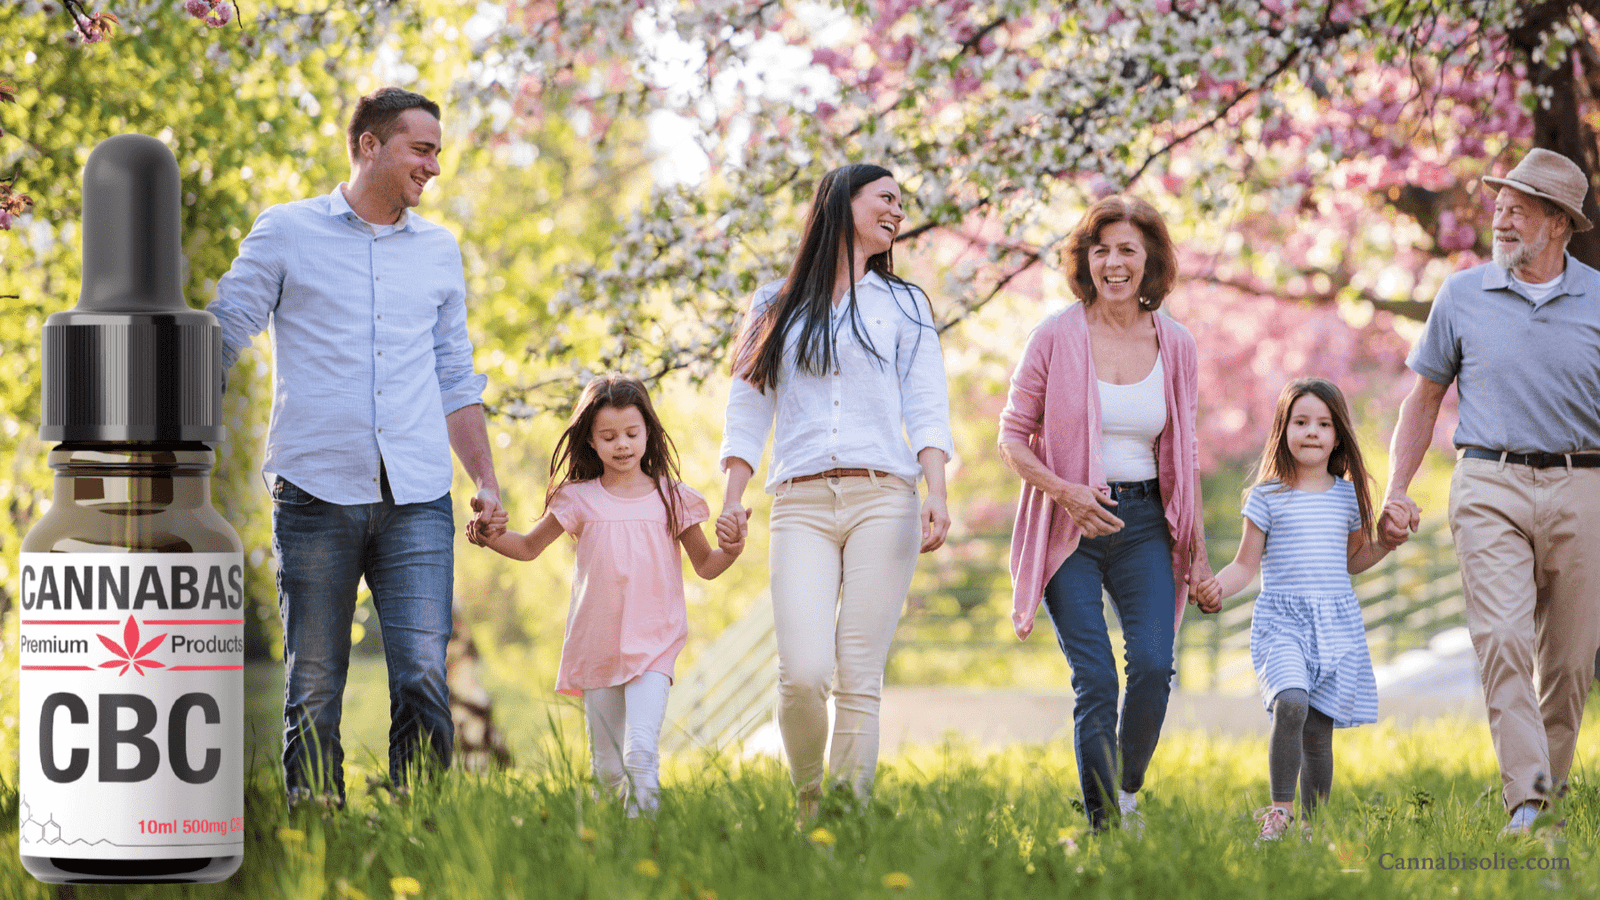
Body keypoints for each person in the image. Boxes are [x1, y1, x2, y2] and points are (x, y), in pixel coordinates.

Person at [208, 87, 509, 804]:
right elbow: (223, 330)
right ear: (369, 145)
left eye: (438, 152)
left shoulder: (438, 251)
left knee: (424, 674)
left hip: (417, 495)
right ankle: (315, 819)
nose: (434, 166)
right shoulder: (286, 230)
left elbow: (454, 373)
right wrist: (166, 426)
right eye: (421, 149)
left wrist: (486, 479)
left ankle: (417, 819)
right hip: (315, 490)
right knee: (314, 680)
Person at [719, 163, 953, 824]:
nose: (898, 211)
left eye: (902, 203)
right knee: (802, 672)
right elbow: (747, 407)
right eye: (886, 198)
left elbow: (927, 404)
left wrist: (937, 490)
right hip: (799, 503)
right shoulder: (771, 302)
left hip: (885, 498)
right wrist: (732, 497)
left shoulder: (906, 304)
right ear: (842, 202)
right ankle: (809, 796)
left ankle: (845, 820)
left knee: (859, 673)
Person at [1383, 147, 1600, 835]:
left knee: (1569, 664)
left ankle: (1545, 797)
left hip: (1584, 484)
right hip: (1488, 481)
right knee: (1502, 637)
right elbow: (1422, 400)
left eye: (1519, 210)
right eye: (1499, 207)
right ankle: (1527, 802)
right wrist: (1395, 489)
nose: (1501, 220)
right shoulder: (1461, 296)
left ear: (1559, 222)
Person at [997, 194, 1211, 832]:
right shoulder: (1053, 336)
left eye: (1127, 251)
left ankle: (1125, 790)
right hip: (1070, 528)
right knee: (1094, 678)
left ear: (1151, 261)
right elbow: (1011, 438)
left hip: (1146, 524)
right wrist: (1066, 491)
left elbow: (1185, 454)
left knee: (1153, 665)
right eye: (1101, 251)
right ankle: (1103, 828)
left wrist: (1197, 554)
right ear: (1084, 261)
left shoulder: (1176, 344)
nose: (1114, 264)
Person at [472, 374, 744, 815]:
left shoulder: (673, 498)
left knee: (640, 752)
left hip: (654, 645)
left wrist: (731, 550)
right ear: (591, 441)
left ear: (648, 433)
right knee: (607, 769)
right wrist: (489, 537)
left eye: (632, 434)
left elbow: (707, 565)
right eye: (609, 436)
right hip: (597, 646)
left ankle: (645, 833)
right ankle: (607, 840)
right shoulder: (577, 499)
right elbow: (526, 547)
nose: (622, 445)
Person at [1194, 378, 1397, 840]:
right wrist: (1216, 588)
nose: (1312, 432)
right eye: (1300, 422)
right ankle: (1280, 811)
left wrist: (1385, 542)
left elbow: (1352, 560)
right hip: (1282, 624)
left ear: (1338, 435)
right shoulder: (1267, 496)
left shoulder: (1347, 497)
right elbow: (1245, 565)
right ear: (1283, 430)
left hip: (1335, 625)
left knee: (1319, 732)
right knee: (1290, 704)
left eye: (1323, 424)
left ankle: (1313, 826)